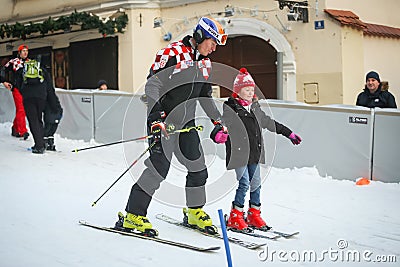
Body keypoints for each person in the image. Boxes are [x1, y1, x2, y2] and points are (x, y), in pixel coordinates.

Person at [118, 17, 229, 236]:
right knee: (158, 169)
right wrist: (157, 117)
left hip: (186, 124)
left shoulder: (205, 63)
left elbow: (205, 95)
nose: (214, 48)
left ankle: (194, 212)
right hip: (163, 121)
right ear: (199, 37)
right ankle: (133, 216)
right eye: (212, 42)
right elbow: (152, 85)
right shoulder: (172, 53)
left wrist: (218, 120)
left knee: (198, 168)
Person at [223, 68, 302, 231]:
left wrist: (289, 133)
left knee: (256, 184)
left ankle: (254, 214)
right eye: (246, 89)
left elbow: (269, 123)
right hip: (239, 154)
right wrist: (219, 134)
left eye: (252, 89)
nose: (250, 92)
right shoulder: (230, 108)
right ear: (238, 91)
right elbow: (223, 126)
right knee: (244, 183)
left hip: (255, 153)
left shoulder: (256, 109)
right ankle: (236, 216)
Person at [14, 53, 54, 154]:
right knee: (39, 119)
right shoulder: (42, 69)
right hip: (41, 97)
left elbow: (17, 83)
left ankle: (39, 146)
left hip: (28, 97)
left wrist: (24, 92)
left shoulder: (23, 69)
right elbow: (49, 82)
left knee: (33, 120)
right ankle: (41, 142)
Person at [0, 45, 30, 140]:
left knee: (22, 109)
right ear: (19, 52)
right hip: (17, 88)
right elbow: (2, 70)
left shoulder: (30, 63)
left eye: (26, 51)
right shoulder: (13, 62)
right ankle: (23, 131)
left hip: (27, 89)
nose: (25, 53)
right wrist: (4, 81)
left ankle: (15, 128)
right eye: (23, 51)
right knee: (21, 109)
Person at [43, 83, 63, 151]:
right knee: (51, 131)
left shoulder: (45, 96)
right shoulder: (54, 97)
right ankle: (50, 143)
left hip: (49, 115)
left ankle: (45, 143)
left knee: (46, 130)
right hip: (56, 115)